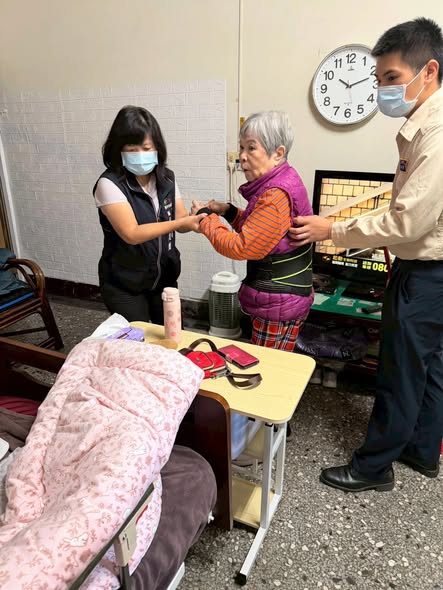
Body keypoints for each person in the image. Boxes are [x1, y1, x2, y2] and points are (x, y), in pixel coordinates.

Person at [290, 17, 443, 492]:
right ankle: (422, 451)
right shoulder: (423, 127)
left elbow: (406, 223)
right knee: (431, 366)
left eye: (391, 78)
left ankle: (372, 468)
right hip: (430, 271)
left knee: (399, 371)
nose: (382, 91)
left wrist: (331, 229)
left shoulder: (436, 134)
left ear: (429, 71)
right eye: (379, 80)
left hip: (426, 273)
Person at [93, 106, 205, 323]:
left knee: (172, 334)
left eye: (146, 148)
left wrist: (194, 220)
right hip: (125, 284)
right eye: (131, 149)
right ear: (118, 150)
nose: (140, 155)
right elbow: (132, 233)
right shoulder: (109, 184)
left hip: (164, 279)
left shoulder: (167, 179)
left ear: (157, 148)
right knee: (140, 338)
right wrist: (179, 223)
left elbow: (181, 221)